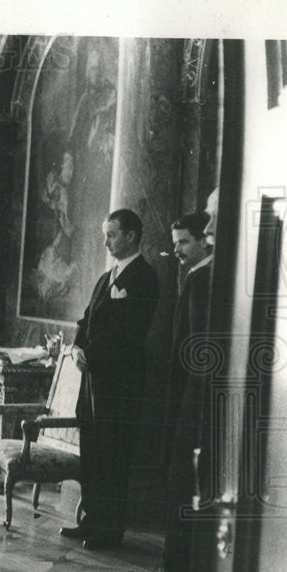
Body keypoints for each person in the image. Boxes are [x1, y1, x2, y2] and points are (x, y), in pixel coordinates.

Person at [62, 208, 160, 550]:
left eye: (112, 235)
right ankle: (91, 520)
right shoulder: (107, 278)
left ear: (131, 235)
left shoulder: (144, 277)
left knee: (113, 454)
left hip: (120, 382)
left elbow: (129, 330)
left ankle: (109, 528)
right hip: (93, 378)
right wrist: (77, 349)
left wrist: (92, 354)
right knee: (92, 449)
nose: (106, 242)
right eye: (105, 235)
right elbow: (86, 320)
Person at [160, 212, 213, 572]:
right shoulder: (199, 276)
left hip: (192, 421)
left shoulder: (200, 283)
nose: (177, 250)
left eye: (183, 242)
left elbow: (193, 359)